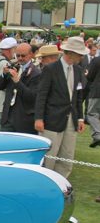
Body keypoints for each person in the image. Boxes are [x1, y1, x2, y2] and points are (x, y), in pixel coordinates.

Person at [35, 36, 87, 178]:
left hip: (72, 120)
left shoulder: (77, 70)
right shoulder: (51, 69)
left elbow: (78, 96)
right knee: (50, 156)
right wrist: (38, 118)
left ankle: (61, 185)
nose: (82, 57)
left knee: (67, 156)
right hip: (51, 119)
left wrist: (80, 119)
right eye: (79, 54)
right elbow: (42, 95)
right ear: (70, 53)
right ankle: (46, 183)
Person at [0, 43, 40, 134]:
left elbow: (31, 97)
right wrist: (4, 74)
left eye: (23, 56)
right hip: (8, 117)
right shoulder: (14, 66)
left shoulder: (36, 73)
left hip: (24, 120)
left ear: (31, 55)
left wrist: (17, 81)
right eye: (18, 55)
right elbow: (0, 86)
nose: (20, 58)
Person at [0, 37, 18, 130]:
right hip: (1, 105)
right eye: (14, 49)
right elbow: (5, 86)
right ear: (10, 50)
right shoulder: (4, 63)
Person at [86, 55, 100, 148]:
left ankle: (97, 134)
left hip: (97, 91)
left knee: (92, 114)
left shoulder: (97, 60)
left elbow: (90, 76)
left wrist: (87, 75)